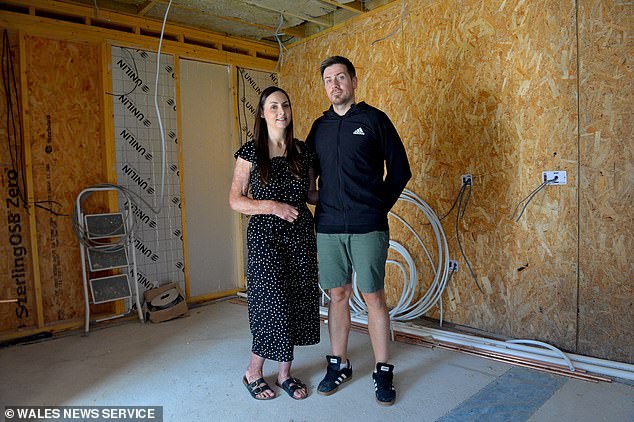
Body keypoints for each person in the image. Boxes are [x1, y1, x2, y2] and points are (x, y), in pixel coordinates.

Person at [306, 56, 411, 406]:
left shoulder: (374, 120)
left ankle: (383, 370)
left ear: (353, 80)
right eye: (327, 80)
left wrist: (376, 207)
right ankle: (339, 364)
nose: (334, 85)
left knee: (373, 297)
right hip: (329, 226)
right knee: (337, 295)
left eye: (340, 77)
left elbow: (399, 170)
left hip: (368, 227)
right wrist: (312, 196)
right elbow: (309, 172)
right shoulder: (319, 128)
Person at [229, 86, 320, 401]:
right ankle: (252, 371)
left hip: (299, 236)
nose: (281, 112)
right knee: (271, 304)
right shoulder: (251, 152)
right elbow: (235, 200)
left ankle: (285, 374)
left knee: (294, 301)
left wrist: (347, 195)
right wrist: (272, 206)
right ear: (262, 113)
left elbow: (310, 195)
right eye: (273, 107)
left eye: (286, 105)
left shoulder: (303, 151)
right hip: (266, 237)